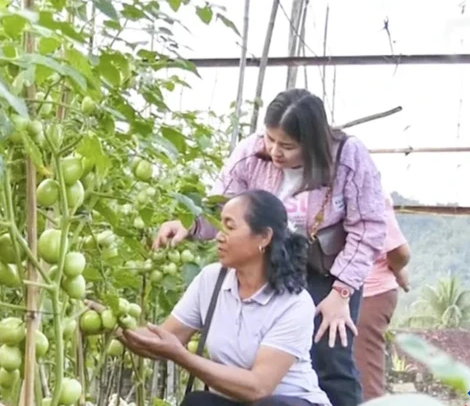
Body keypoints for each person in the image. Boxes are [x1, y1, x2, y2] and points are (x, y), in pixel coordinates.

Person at [152, 89, 387, 406]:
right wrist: (188, 225)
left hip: (328, 271)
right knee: (262, 359)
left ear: (313, 142)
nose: (275, 151)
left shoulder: (346, 156)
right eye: (270, 139)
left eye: (287, 146)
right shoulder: (251, 152)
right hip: (269, 263)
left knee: (330, 354)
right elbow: (222, 204)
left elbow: (368, 226)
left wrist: (341, 292)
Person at [119, 189, 332, 406]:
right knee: (198, 402)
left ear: (264, 237)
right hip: (237, 401)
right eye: (220, 226)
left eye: (229, 227)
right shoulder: (211, 280)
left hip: (289, 402)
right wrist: (114, 322)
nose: (219, 235)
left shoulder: (294, 303)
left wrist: (182, 357)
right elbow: (160, 340)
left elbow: (259, 388)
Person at [354, 194, 411, 401]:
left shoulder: (366, 189)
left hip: (368, 291)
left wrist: (398, 269)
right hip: (334, 292)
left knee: (363, 373)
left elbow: (399, 252)